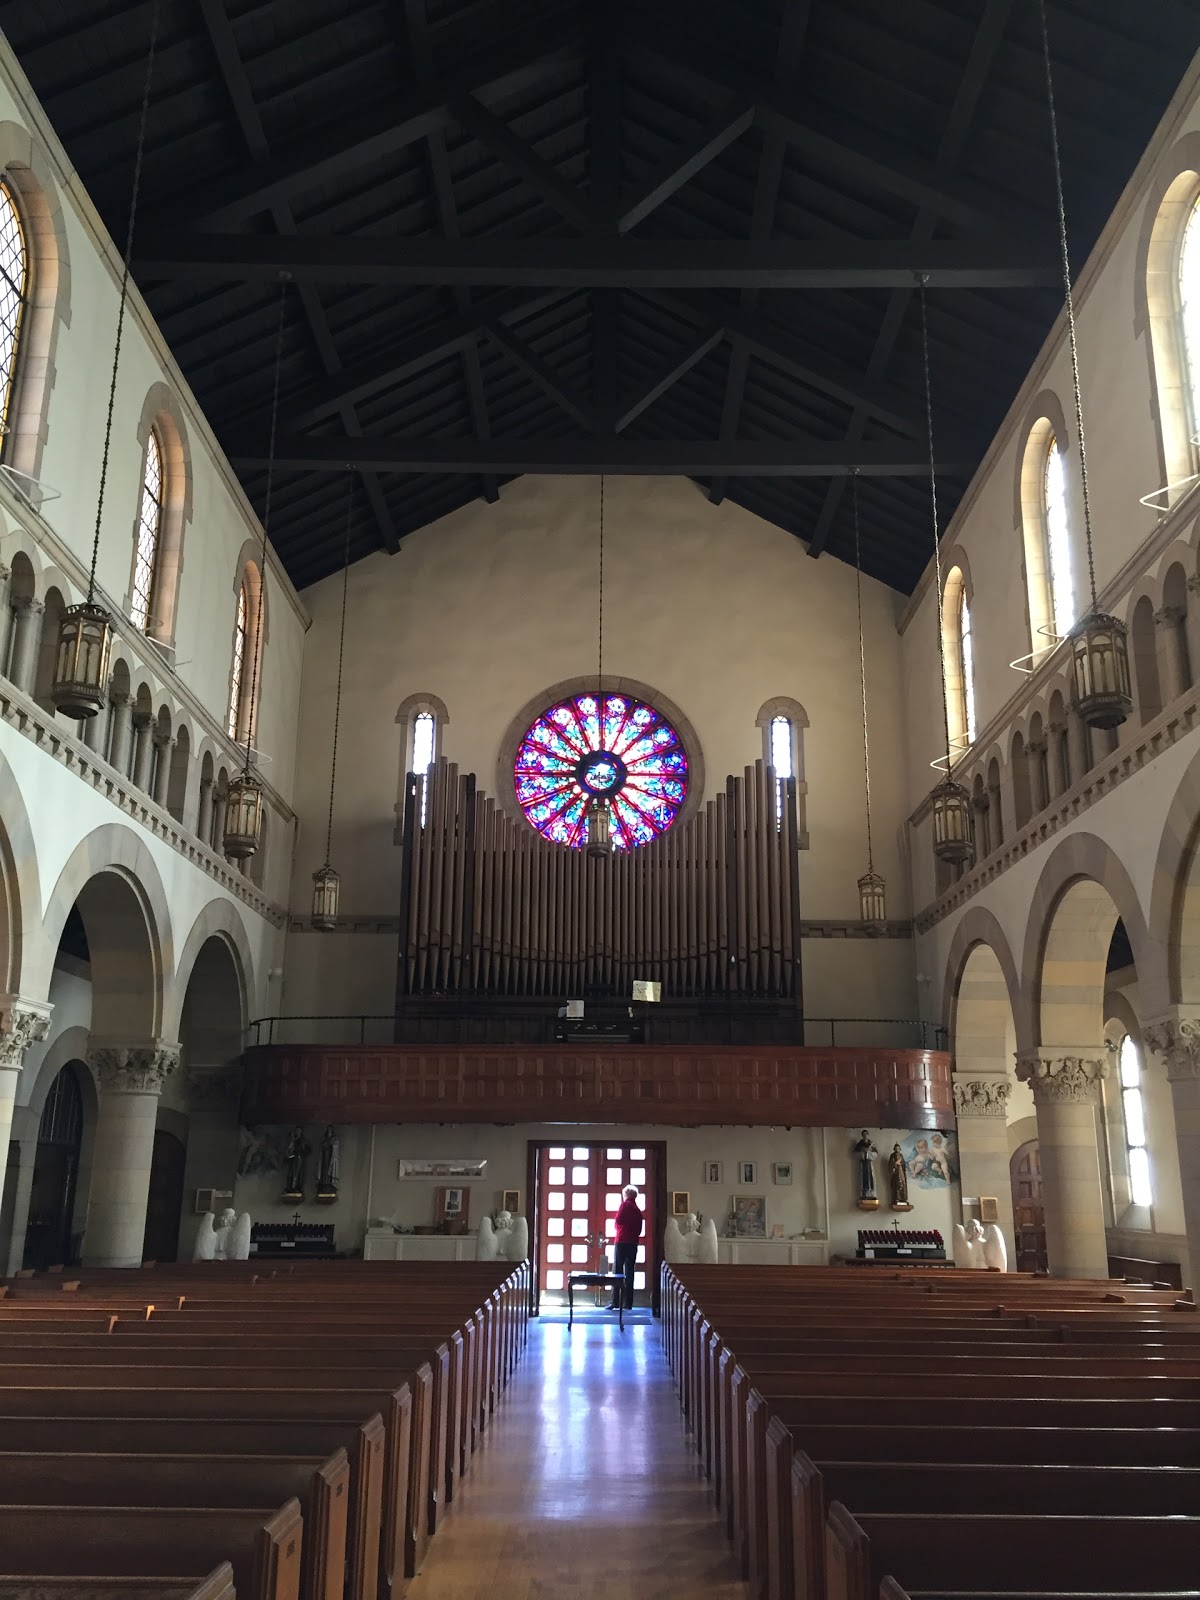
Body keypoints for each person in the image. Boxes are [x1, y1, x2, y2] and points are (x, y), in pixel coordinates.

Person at [608, 1184, 643, 1311]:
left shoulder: (624, 1206)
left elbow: (619, 1221)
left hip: (622, 1241)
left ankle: (615, 1301)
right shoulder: (638, 1210)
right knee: (630, 1272)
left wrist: (618, 1228)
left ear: (625, 1195)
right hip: (633, 1243)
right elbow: (639, 1229)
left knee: (617, 1271)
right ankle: (628, 1303)